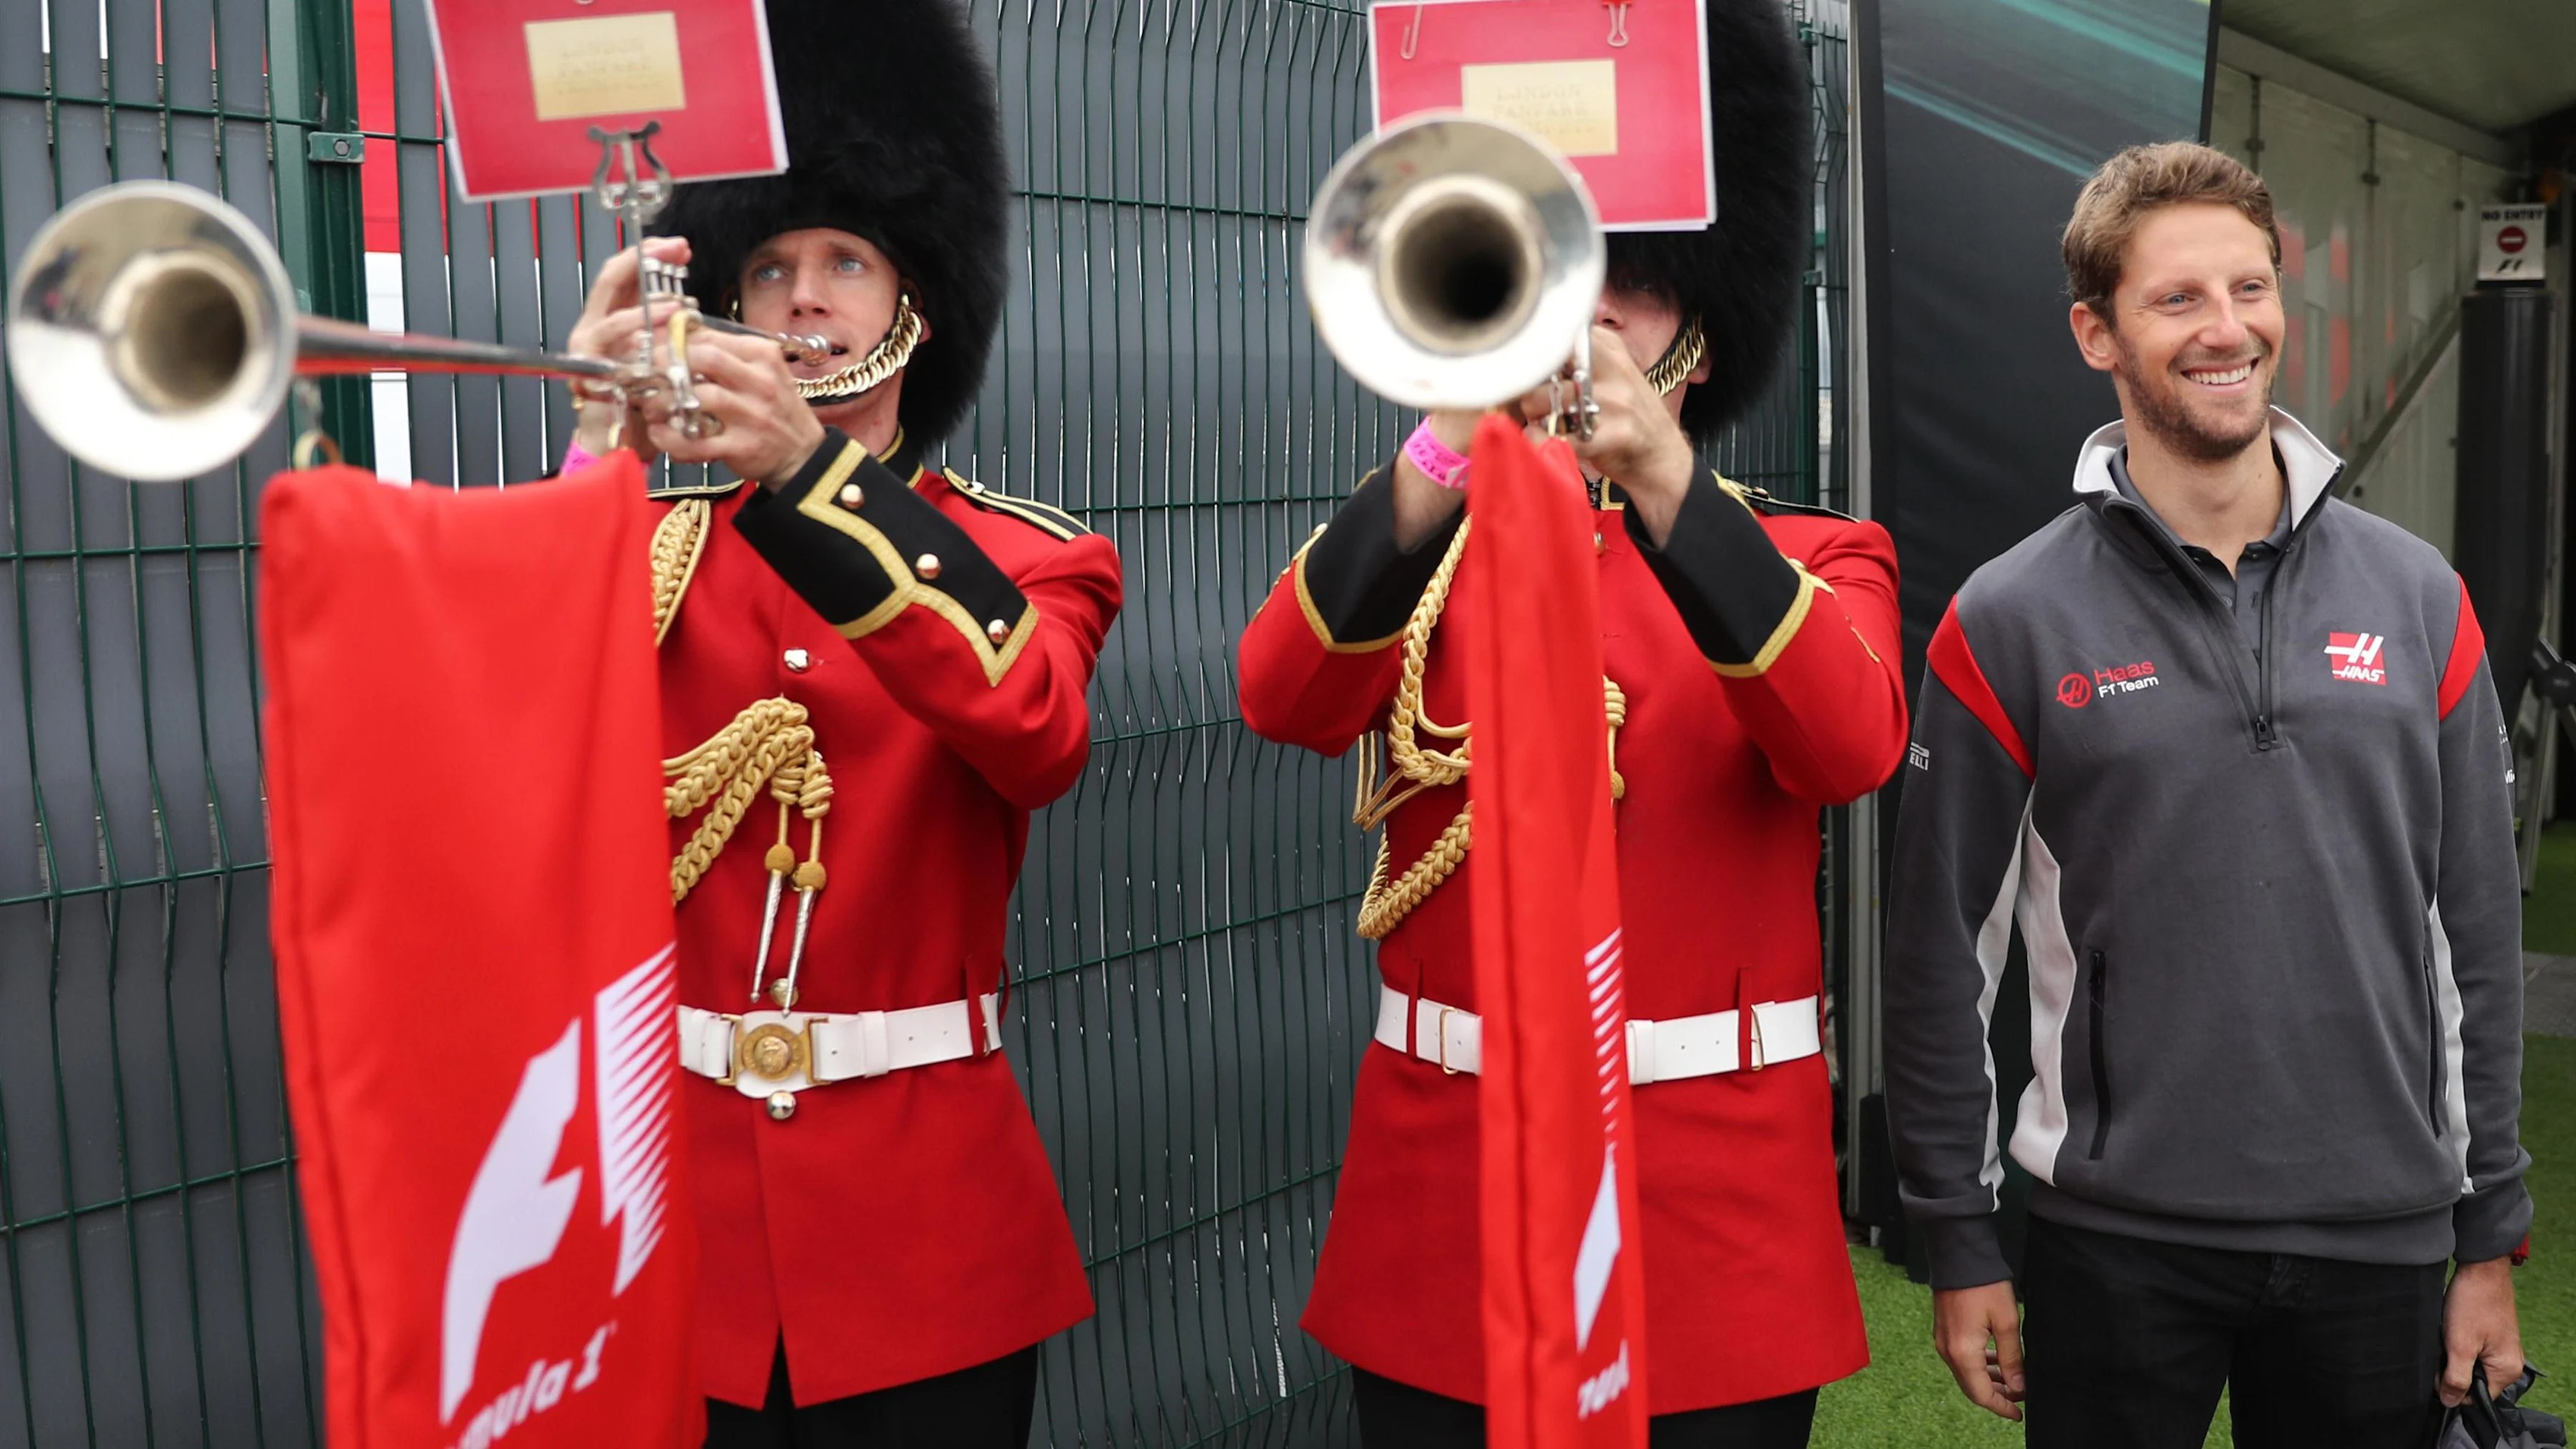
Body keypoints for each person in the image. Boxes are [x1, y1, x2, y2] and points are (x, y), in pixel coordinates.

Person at [1235, 1, 1906, 1441]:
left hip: (1705, 1221)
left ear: (1702, 343)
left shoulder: (1812, 554)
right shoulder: (1433, 539)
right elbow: (1281, 692)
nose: (1586, 307)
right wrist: (1438, 450)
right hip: (1449, 1202)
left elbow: (1847, 747)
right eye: (1556, 271)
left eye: (1638, 285)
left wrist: (1669, 488)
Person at [1883, 141, 2530, 1448]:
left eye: (2252, 288)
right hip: (2113, 1245)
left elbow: (2478, 941)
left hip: (2380, 1239)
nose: (2227, 328)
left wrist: (2488, 1234)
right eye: (2179, 299)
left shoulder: (2421, 599)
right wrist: (1956, 1235)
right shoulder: (2008, 618)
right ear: (2096, 333)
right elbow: (1942, 953)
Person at [554, 1, 1121, 1442]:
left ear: (916, 300)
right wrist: (591, 441)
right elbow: (517, 740)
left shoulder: (1031, 558)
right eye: (773, 267)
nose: (802, 298)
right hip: (680, 1225)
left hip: (927, 1238)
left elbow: (1035, 733)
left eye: (847, 264)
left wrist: (811, 476)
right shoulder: (648, 552)